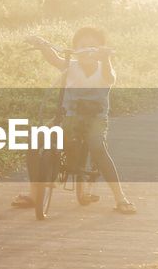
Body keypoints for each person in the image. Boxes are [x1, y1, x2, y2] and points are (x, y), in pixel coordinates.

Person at [14, 26, 136, 214]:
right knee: (36, 140)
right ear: (76, 49)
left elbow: (109, 77)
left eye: (93, 47)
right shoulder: (70, 66)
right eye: (83, 46)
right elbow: (53, 57)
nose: (87, 50)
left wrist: (106, 58)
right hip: (67, 117)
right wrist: (42, 44)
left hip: (95, 119)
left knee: (97, 146)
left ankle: (120, 197)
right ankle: (34, 193)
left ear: (100, 50)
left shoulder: (104, 69)